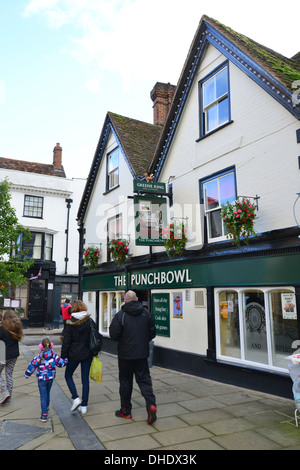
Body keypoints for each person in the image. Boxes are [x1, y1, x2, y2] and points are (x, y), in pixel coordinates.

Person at [109, 290, 157, 425]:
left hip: (125, 355)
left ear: (125, 300)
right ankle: (151, 405)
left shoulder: (120, 315)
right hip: (142, 354)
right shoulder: (146, 314)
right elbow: (152, 333)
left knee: (125, 382)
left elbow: (113, 334)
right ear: (136, 299)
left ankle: (126, 411)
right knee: (144, 380)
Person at [61, 300, 96, 415]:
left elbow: (66, 342)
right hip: (87, 354)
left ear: (73, 309)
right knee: (85, 379)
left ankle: (76, 398)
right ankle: (84, 406)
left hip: (73, 354)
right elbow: (95, 336)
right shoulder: (90, 321)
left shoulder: (70, 323)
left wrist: (63, 357)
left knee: (68, 375)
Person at [24, 337, 68, 422]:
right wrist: (66, 359)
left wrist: (27, 374)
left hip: (41, 380)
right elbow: (61, 364)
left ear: (41, 346)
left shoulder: (38, 357)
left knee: (43, 396)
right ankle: (46, 407)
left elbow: (32, 366)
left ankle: (44, 415)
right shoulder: (54, 356)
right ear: (51, 346)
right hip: (50, 379)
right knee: (47, 393)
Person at [0, 310, 23, 405]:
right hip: (14, 355)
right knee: (9, 374)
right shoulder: (17, 327)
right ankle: (9, 396)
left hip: (3, 354)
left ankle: (4, 391)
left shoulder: (2, 328)